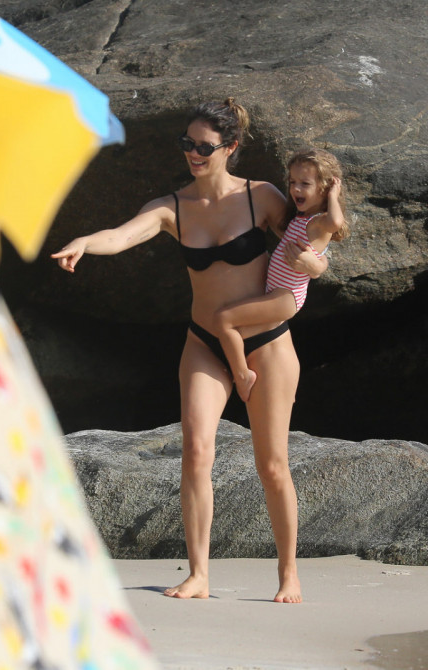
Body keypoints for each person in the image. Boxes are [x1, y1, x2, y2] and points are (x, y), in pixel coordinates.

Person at [51, 98, 321, 603]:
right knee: (195, 452)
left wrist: (314, 264)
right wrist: (87, 241)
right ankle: (198, 573)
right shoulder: (172, 206)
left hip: (267, 343)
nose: (193, 154)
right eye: (187, 145)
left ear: (230, 148)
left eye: (203, 147)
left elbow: (309, 237)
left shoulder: (260, 196)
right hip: (205, 343)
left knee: (273, 465)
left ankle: (289, 573)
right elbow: (123, 234)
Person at [213, 148, 348, 402]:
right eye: (292, 182)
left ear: (325, 187)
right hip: (278, 293)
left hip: (286, 297)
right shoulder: (300, 218)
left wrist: (334, 195)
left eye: (305, 184)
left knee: (223, 320)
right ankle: (273, 381)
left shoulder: (318, 222)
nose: (296, 189)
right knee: (242, 333)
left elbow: (336, 222)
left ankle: (242, 377)